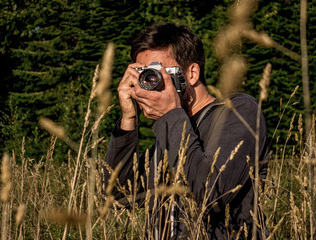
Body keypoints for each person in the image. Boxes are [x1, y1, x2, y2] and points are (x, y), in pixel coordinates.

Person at [105, 22, 269, 239]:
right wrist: (128, 119)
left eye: (158, 73)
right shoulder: (170, 128)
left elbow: (213, 194)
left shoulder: (238, 112)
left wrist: (170, 115)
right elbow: (119, 196)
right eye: (144, 74)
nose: (150, 83)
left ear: (191, 73)